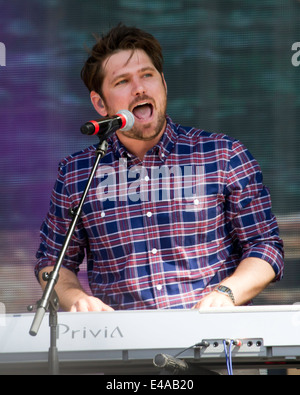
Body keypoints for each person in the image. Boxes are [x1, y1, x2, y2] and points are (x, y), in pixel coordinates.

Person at [35, 24, 284, 313]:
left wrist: (227, 293)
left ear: (163, 84)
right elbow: (52, 262)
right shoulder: (76, 174)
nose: (139, 87)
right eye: (122, 81)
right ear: (100, 104)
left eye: (147, 75)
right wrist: (76, 299)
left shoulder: (223, 155)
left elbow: (265, 245)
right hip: (121, 346)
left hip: (214, 341)